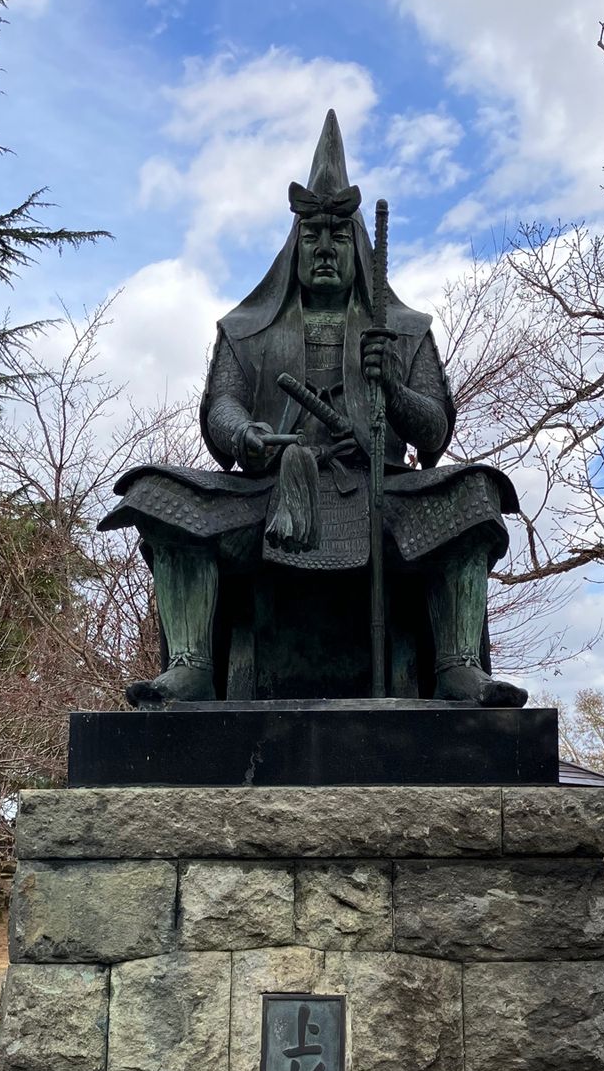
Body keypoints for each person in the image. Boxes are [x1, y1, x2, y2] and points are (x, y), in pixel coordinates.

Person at [99, 110, 527, 708]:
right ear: (293, 248)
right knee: (155, 494)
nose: (325, 249)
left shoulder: (403, 331)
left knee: (475, 491)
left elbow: (433, 433)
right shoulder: (246, 330)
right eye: (312, 237)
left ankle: (456, 667)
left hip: (379, 495)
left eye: (338, 236)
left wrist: (394, 391)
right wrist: (247, 434)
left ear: (358, 248)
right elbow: (220, 406)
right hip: (273, 490)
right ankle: (191, 666)